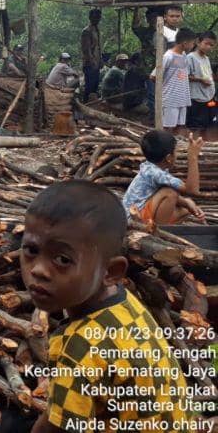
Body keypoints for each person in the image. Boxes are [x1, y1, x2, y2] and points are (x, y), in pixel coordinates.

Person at [21, 180, 190, 432]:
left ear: (111, 271)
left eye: (63, 259)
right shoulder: (124, 305)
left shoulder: (81, 348)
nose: (38, 270)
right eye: (31, 250)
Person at [121, 130, 205, 225]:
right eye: (175, 151)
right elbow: (193, 190)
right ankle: (159, 233)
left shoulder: (151, 168)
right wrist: (193, 157)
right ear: (169, 158)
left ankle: (159, 229)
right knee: (170, 193)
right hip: (133, 221)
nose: (176, 154)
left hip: (138, 216)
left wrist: (187, 203)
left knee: (186, 210)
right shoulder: (155, 173)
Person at [161, 27, 196, 131]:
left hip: (182, 97)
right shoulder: (168, 56)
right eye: (192, 43)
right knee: (167, 126)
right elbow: (154, 76)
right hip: (170, 98)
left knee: (179, 126)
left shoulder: (184, 55)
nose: (193, 45)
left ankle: (177, 146)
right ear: (185, 43)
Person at [188, 30, 216, 129]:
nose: (209, 47)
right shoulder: (190, 57)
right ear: (198, 42)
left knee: (210, 121)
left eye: (211, 45)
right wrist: (200, 80)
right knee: (196, 124)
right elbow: (184, 76)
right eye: (206, 43)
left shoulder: (206, 58)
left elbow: (209, 74)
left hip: (209, 95)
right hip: (196, 98)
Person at [79, 8, 102, 101]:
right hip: (90, 64)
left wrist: (100, 60)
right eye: (95, 17)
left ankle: (92, 105)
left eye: (98, 17)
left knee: (95, 86)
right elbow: (86, 49)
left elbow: (98, 47)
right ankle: (86, 104)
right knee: (89, 86)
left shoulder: (96, 30)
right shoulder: (87, 31)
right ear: (90, 17)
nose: (97, 19)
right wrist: (92, 61)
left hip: (96, 62)